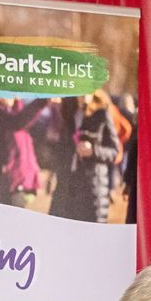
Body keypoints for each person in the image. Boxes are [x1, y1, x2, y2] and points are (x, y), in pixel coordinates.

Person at [48, 90, 120, 223]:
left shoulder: (102, 114)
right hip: (67, 187)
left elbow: (114, 151)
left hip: (92, 188)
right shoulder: (69, 114)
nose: (83, 95)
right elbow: (61, 149)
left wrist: (93, 151)